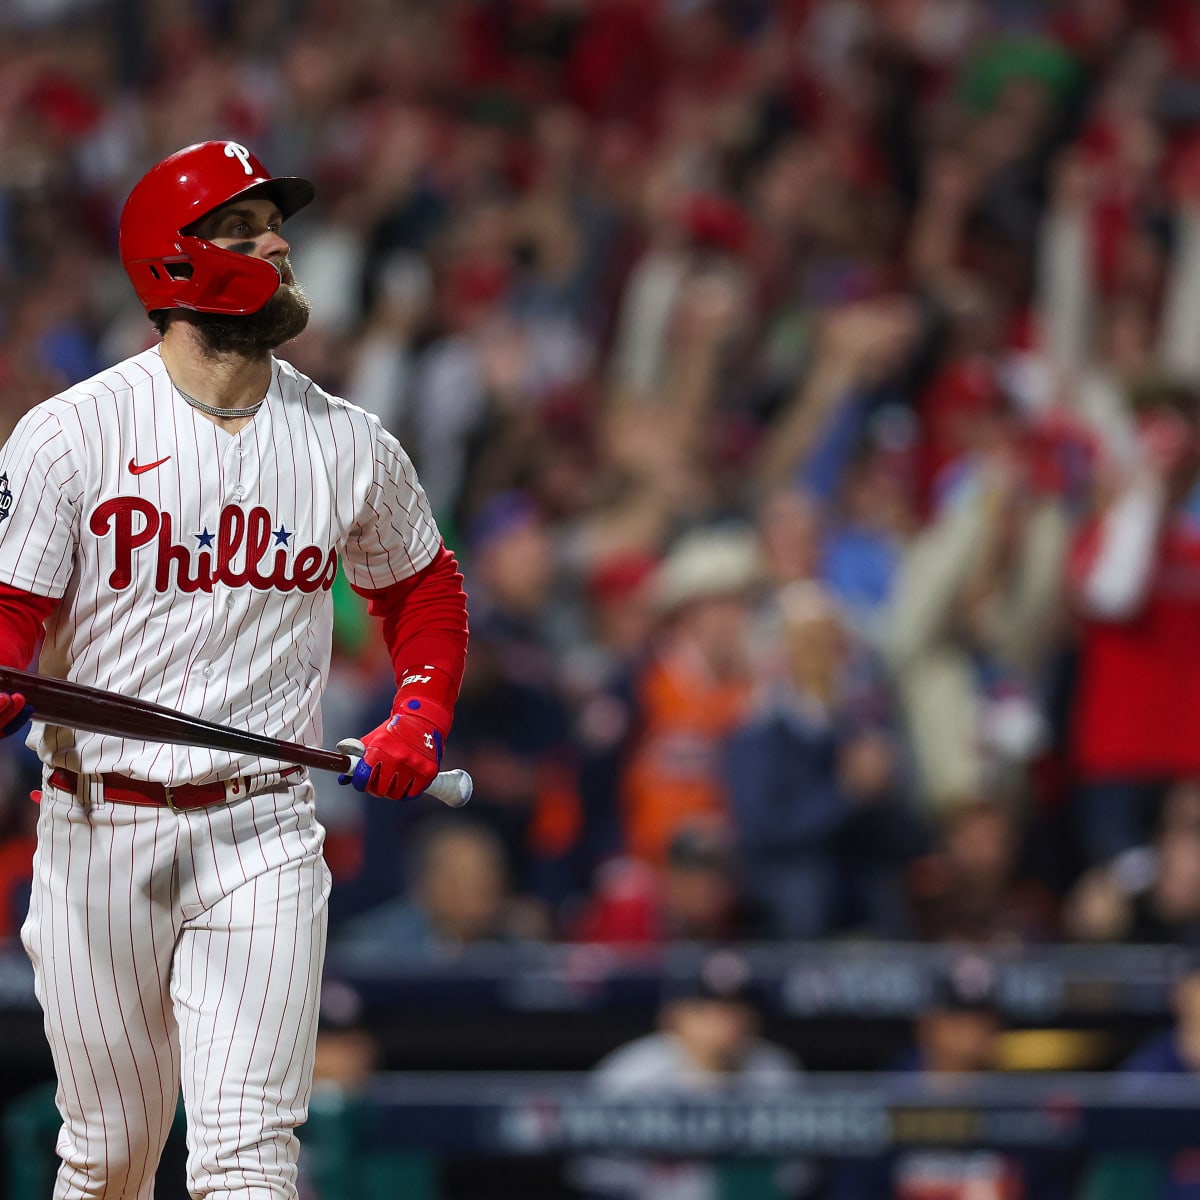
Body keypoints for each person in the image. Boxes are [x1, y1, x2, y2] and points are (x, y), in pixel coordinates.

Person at [0, 140, 469, 1200]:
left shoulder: (345, 439)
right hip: (95, 823)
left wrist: (419, 713)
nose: (277, 245)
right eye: (243, 231)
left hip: (262, 827)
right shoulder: (71, 435)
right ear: (174, 263)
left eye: (275, 226)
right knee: (109, 1158)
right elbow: (10, 611)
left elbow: (422, 589)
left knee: (248, 1160)